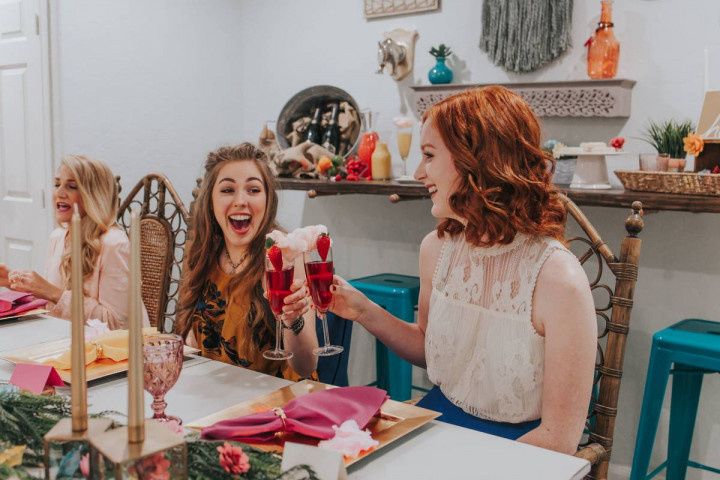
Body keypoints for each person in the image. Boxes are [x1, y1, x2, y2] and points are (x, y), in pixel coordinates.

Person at [328, 86, 597, 455]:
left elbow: (558, 440)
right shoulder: (436, 249)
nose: (420, 172)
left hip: (522, 452)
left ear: (476, 161)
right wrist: (361, 309)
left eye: (429, 155)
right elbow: (429, 348)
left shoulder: (557, 280)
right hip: (434, 424)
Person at [176, 143, 317, 380]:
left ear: (268, 199)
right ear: (211, 200)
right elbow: (193, 341)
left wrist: (293, 320)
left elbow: (306, 365)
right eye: (228, 190)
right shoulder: (201, 253)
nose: (241, 200)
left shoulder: (287, 256)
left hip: (278, 403)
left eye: (253, 190)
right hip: (215, 398)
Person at [3, 155, 149, 329]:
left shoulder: (114, 244)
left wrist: (52, 292)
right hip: (62, 342)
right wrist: (17, 284)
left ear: (94, 196)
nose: (59, 193)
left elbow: (116, 324)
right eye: (57, 184)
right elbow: (52, 307)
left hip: (114, 352)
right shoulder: (58, 237)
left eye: (72, 186)